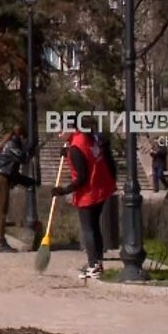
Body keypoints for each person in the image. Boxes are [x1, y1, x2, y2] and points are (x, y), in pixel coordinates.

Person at [51, 118, 117, 279]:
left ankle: (93, 265)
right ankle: (98, 264)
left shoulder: (75, 147)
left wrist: (63, 190)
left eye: (60, 130)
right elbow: (88, 158)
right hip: (101, 187)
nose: (58, 134)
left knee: (88, 229)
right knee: (94, 227)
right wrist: (67, 154)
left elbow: (81, 177)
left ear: (70, 128)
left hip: (89, 192)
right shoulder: (86, 138)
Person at [0, 126, 37, 253]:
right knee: (1, 210)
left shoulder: (7, 144)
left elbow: (12, 170)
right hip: (1, 179)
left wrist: (27, 181)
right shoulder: (12, 145)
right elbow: (23, 159)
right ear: (22, 136)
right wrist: (31, 149)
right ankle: (1, 242)